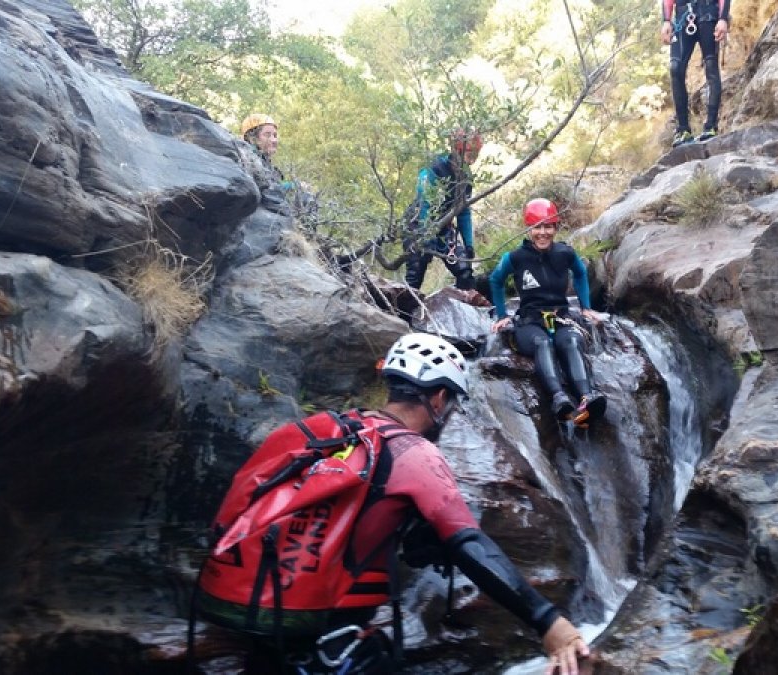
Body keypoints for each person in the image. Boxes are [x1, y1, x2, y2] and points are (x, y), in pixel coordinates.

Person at [238, 333, 592, 674]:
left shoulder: (336, 431)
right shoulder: (413, 452)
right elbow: (470, 543)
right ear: (438, 399)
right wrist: (549, 622)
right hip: (330, 649)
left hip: (257, 628)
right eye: (450, 403)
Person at [489, 199, 607, 425]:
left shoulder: (565, 253)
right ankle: (559, 397)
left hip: (561, 316)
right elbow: (496, 280)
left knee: (571, 342)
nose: (543, 233)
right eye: (537, 227)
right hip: (529, 321)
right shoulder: (515, 258)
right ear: (529, 229)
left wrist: (585, 307)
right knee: (542, 344)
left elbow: (580, 274)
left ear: (555, 227)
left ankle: (586, 397)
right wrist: (502, 315)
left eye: (548, 227)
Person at [404, 129, 482, 293]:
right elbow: (424, 202)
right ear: (457, 150)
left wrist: (468, 244)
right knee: (416, 271)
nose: (472, 158)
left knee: (464, 270)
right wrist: (426, 236)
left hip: (444, 226)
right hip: (418, 224)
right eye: (469, 153)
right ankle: (403, 316)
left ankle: (464, 311)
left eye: (475, 153)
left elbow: (463, 212)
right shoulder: (434, 168)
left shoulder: (466, 176)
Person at [659, 0, 731, 147]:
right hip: (682, 17)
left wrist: (723, 18)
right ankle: (683, 130)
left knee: (711, 67)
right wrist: (666, 20)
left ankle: (711, 127)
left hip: (709, 14)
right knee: (675, 68)